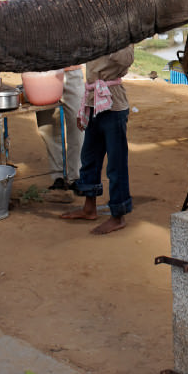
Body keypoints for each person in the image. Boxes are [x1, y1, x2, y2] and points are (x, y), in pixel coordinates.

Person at [59, 45, 135, 235]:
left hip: (113, 103)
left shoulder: (121, 32)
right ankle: (89, 208)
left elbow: (126, 60)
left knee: (116, 164)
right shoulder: (100, 30)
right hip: (93, 100)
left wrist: (111, 40)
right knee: (89, 157)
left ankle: (118, 216)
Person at [33, 0, 85, 203]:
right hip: (44, 77)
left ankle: (76, 177)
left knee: (78, 125)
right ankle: (57, 176)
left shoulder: (74, 6)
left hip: (71, 74)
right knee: (47, 127)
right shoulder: (36, 6)